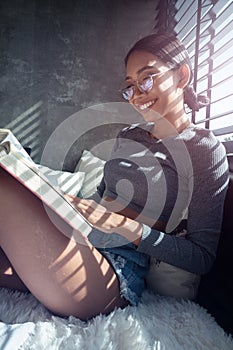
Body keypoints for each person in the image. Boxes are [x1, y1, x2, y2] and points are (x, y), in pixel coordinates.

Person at [0, 33, 229, 320]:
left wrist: (125, 227)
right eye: (130, 87)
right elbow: (102, 196)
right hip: (77, 235)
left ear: (182, 75)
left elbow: (202, 257)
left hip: (116, 267)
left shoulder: (204, 149)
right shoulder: (128, 136)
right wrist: (67, 204)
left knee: (3, 186)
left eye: (147, 78)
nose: (137, 94)